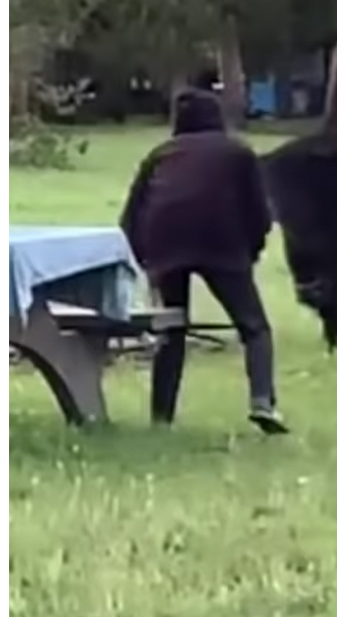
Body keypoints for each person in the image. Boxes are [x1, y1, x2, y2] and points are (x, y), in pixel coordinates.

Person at [119, 87, 287, 434]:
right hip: (221, 241)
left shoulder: (160, 154)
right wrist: (250, 250)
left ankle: (162, 418)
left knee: (172, 328)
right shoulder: (237, 153)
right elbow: (259, 210)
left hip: (164, 242)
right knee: (254, 327)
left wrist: (144, 261)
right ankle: (262, 402)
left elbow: (131, 215)